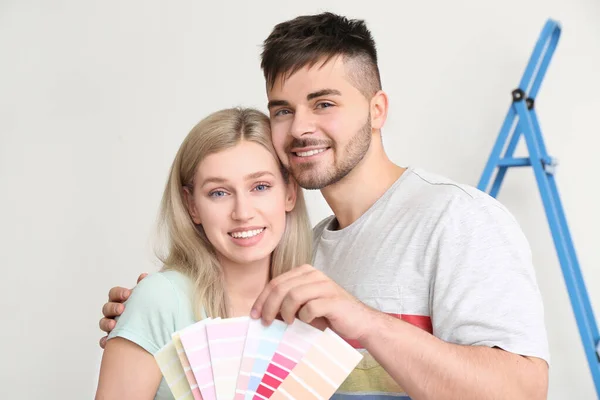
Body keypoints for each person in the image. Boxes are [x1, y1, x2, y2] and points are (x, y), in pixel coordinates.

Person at [99, 12, 550, 400]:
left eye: (324, 103)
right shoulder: (297, 255)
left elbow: (524, 391)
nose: (301, 128)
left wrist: (368, 323)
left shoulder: (456, 220)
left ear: (377, 111)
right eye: (282, 110)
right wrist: (159, 308)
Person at [95, 107, 313, 399]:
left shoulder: (313, 303)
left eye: (260, 186)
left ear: (290, 193)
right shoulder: (161, 301)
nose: (243, 213)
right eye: (219, 193)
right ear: (192, 205)